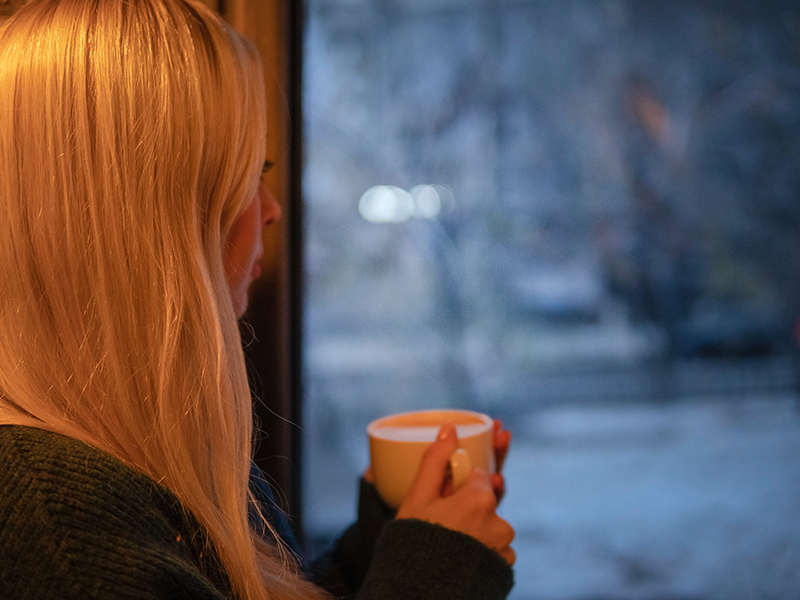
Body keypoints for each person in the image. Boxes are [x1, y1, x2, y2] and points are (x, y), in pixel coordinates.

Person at [0, 1, 515, 599]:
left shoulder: (132, 456)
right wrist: (434, 578)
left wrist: (393, 538)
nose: (270, 209)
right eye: (247, 175)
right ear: (146, 225)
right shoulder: (52, 526)